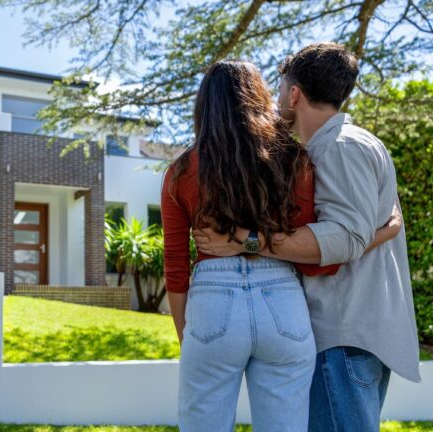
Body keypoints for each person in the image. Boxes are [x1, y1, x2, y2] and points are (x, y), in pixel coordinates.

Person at [162, 59, 400, 432]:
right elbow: (317, 258)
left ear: (203, 105)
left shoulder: (180, 172)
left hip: (212, 302)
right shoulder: (293, 161)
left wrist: (187, 336)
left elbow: (176, 267)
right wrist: (377, 232)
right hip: (284, 303)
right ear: (259, 98)